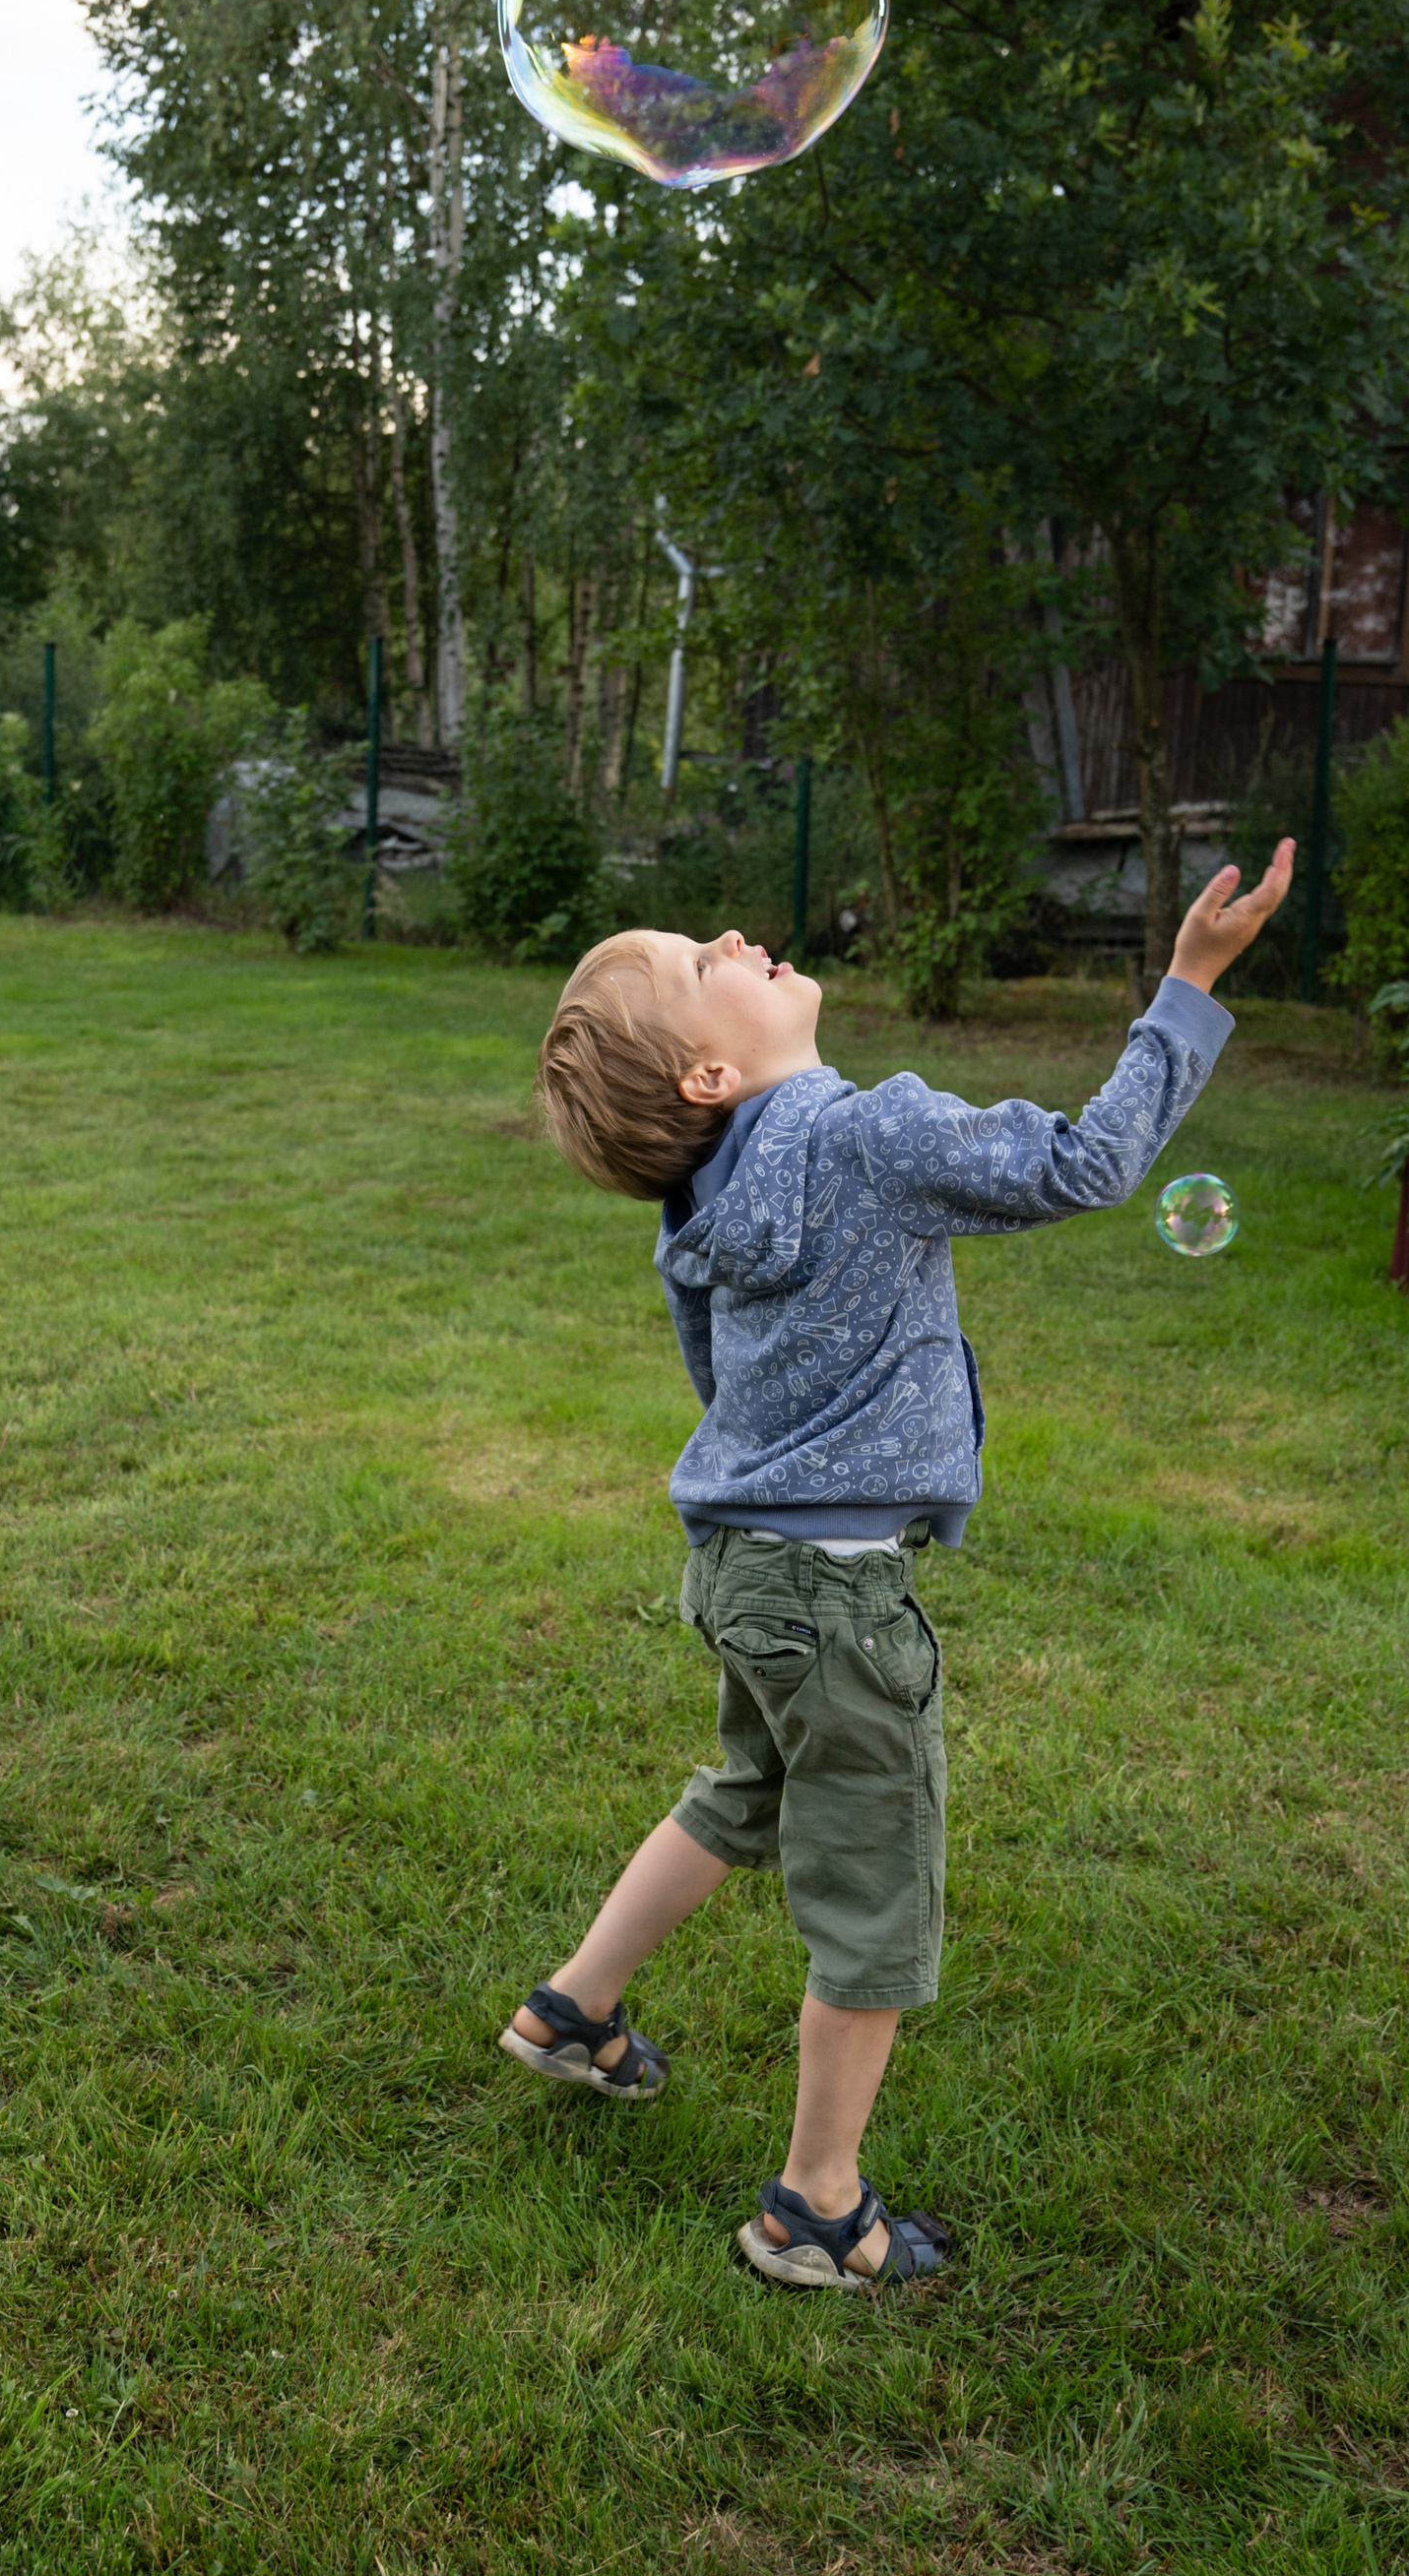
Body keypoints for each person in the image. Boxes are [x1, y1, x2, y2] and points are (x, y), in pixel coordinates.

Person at [506, 843, 1296, 2292]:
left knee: (745, 1791)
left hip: (743, 1575)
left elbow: (718, 1386)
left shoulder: (699, 1210)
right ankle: (816, 2209)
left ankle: (575, 2008)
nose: (737, 935)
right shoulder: (871, 1134)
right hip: (843, 1604)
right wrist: (1185, 989)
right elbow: (1090, 1162)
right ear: (705, 1078)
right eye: (702, 962)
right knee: (874, 1902)